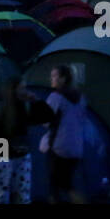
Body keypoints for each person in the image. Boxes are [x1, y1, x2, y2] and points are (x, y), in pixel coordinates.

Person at [37, 64, 89, 204]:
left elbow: (45, 121)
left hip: (58, 146)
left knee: (54, 185)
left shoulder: (56, 97)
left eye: (54, 76)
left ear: (63, 78)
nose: (51, 79)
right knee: (66, 184)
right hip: (77, 147)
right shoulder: (81, 98)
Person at [0, 79, 34, 204]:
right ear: (13, 90)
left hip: (21, 150)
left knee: (22, 191)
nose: (24, 91)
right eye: (21, 88)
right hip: (3, 147)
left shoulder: (26, 105)